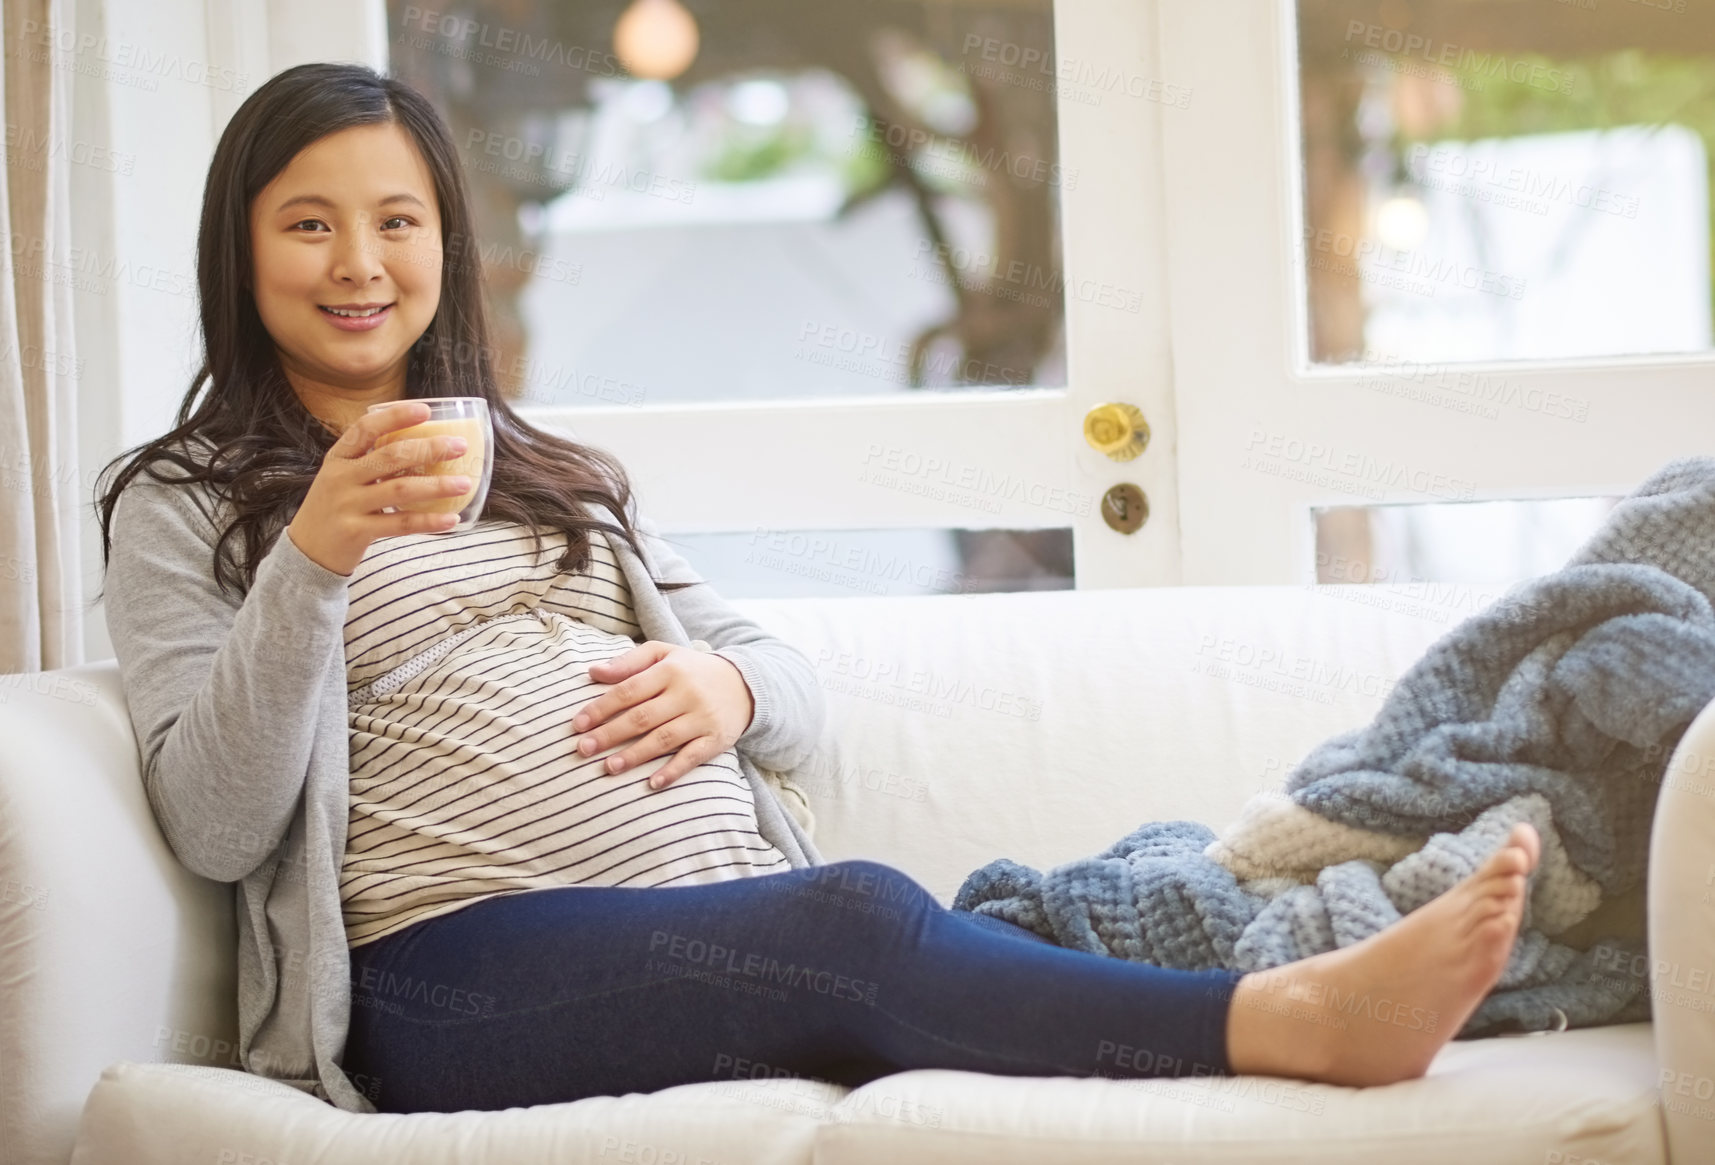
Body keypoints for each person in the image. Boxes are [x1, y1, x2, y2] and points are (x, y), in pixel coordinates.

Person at [94, 62, 1543, 1116]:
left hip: (707, 918)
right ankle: (1294, 1021)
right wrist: (317, 557)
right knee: (856, 918)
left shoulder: (545, 469)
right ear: (244, 245)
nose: (362, 263)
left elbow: (783, 687)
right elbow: (216, 820)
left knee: (976, 914)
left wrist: (723, 684)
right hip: (450, 967)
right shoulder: (184, 500)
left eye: (398, 221)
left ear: (443, 247)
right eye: (311, 223)